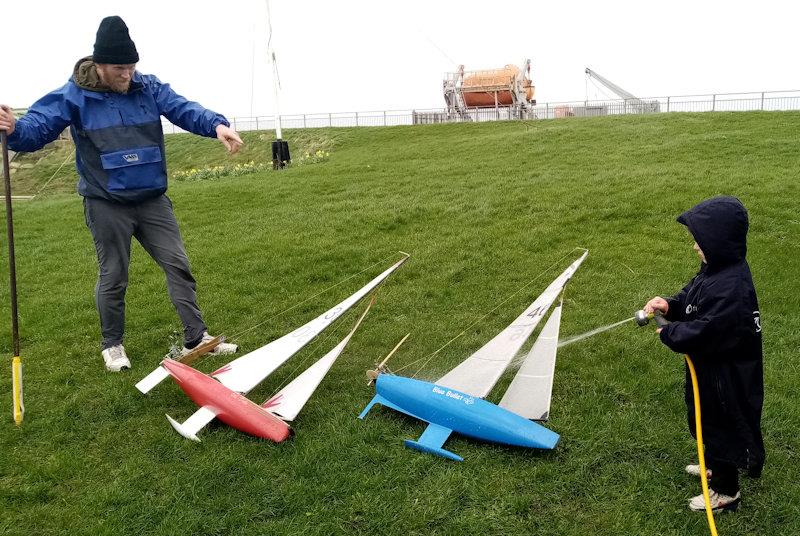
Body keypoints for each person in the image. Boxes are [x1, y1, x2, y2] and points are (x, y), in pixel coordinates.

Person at [0, 16, 242, 371]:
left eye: (131, 67)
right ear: (98, 66)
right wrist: (15, 127)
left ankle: (197, 337)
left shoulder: (148, 87)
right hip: (106, 203)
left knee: (178, 265)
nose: (127, 75)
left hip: (151, 199)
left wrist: (216, 125)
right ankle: (112, 345)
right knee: (114, 275)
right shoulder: (74, 96)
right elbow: (38, 128)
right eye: (119, 68)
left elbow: (183, 108)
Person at [643, 195, 764, 512]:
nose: (695, 246)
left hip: (728, 379)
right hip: (710, 371)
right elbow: (692, 298)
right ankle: (712, 464)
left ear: (719, 242)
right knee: (703, 418)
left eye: (700, 241)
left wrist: (671, 332)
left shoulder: (733, 288)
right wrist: (670, 305)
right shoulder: (714, 271)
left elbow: (710, 330)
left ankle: (726, 492)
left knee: (722, 427)